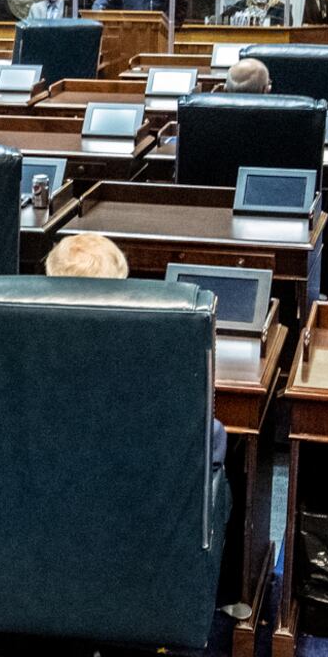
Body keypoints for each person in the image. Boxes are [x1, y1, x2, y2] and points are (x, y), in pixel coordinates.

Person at [43, 232, 241, 618]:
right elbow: (207, 443)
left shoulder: (12, 356)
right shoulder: (153, 364)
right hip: (135, 540)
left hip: (41, 544)